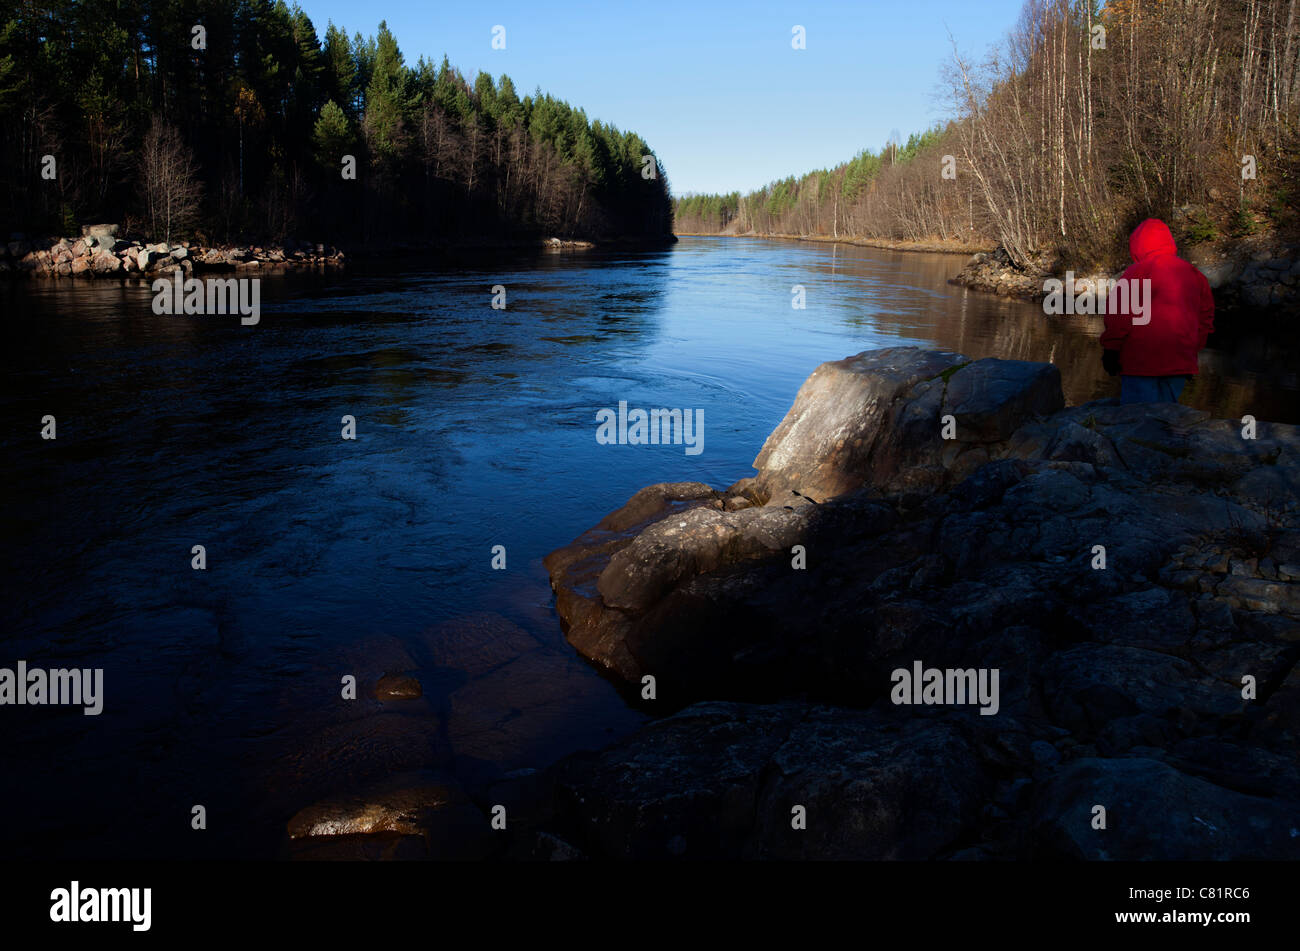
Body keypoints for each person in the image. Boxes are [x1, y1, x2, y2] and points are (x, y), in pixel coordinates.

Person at [1100, 217, 1215, 403]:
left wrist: (1111, 349)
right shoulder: (1195, 275)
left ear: (1137, 245)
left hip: (1139, 362)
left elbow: (1119, 316)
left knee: (1138, 421)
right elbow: (1205, 318)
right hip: (1179, 361)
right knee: (1166, 418)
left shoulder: (1136, 272)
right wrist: (1192, 352)